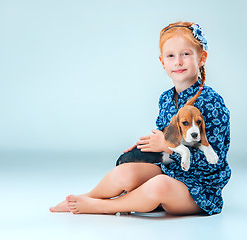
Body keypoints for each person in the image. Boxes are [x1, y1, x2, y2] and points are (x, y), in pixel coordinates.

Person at [50, 21, 231, 216]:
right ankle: (90, 196)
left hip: (199, 187)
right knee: (125, 171)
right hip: (171, 170)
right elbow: (166, 137)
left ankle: (104, 207)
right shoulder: (166, 98)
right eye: (171, 56)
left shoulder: (212, 102)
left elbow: (215, 161)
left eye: (186, 54)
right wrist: (144, 148)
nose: (178, 61)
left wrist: (166, 145)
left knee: (158, 185)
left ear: (202, 58)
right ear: (163, 62)